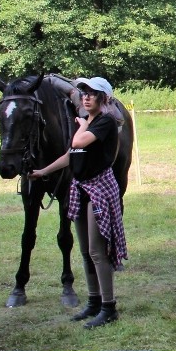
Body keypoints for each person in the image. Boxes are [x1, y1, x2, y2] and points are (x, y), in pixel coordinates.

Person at [30, 77, 128, 329]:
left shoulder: (105, 121)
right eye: (83, 92)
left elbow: (77, 143)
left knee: (97, 251)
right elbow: (71, 155)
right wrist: (43, 171)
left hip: (99, 189)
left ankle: (109, 307)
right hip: (81, 188)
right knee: (85, 251)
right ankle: (94, 302)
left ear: (103, 98)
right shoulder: (91, 122)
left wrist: (83, 124)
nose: (86, 97)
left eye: (92, 93)